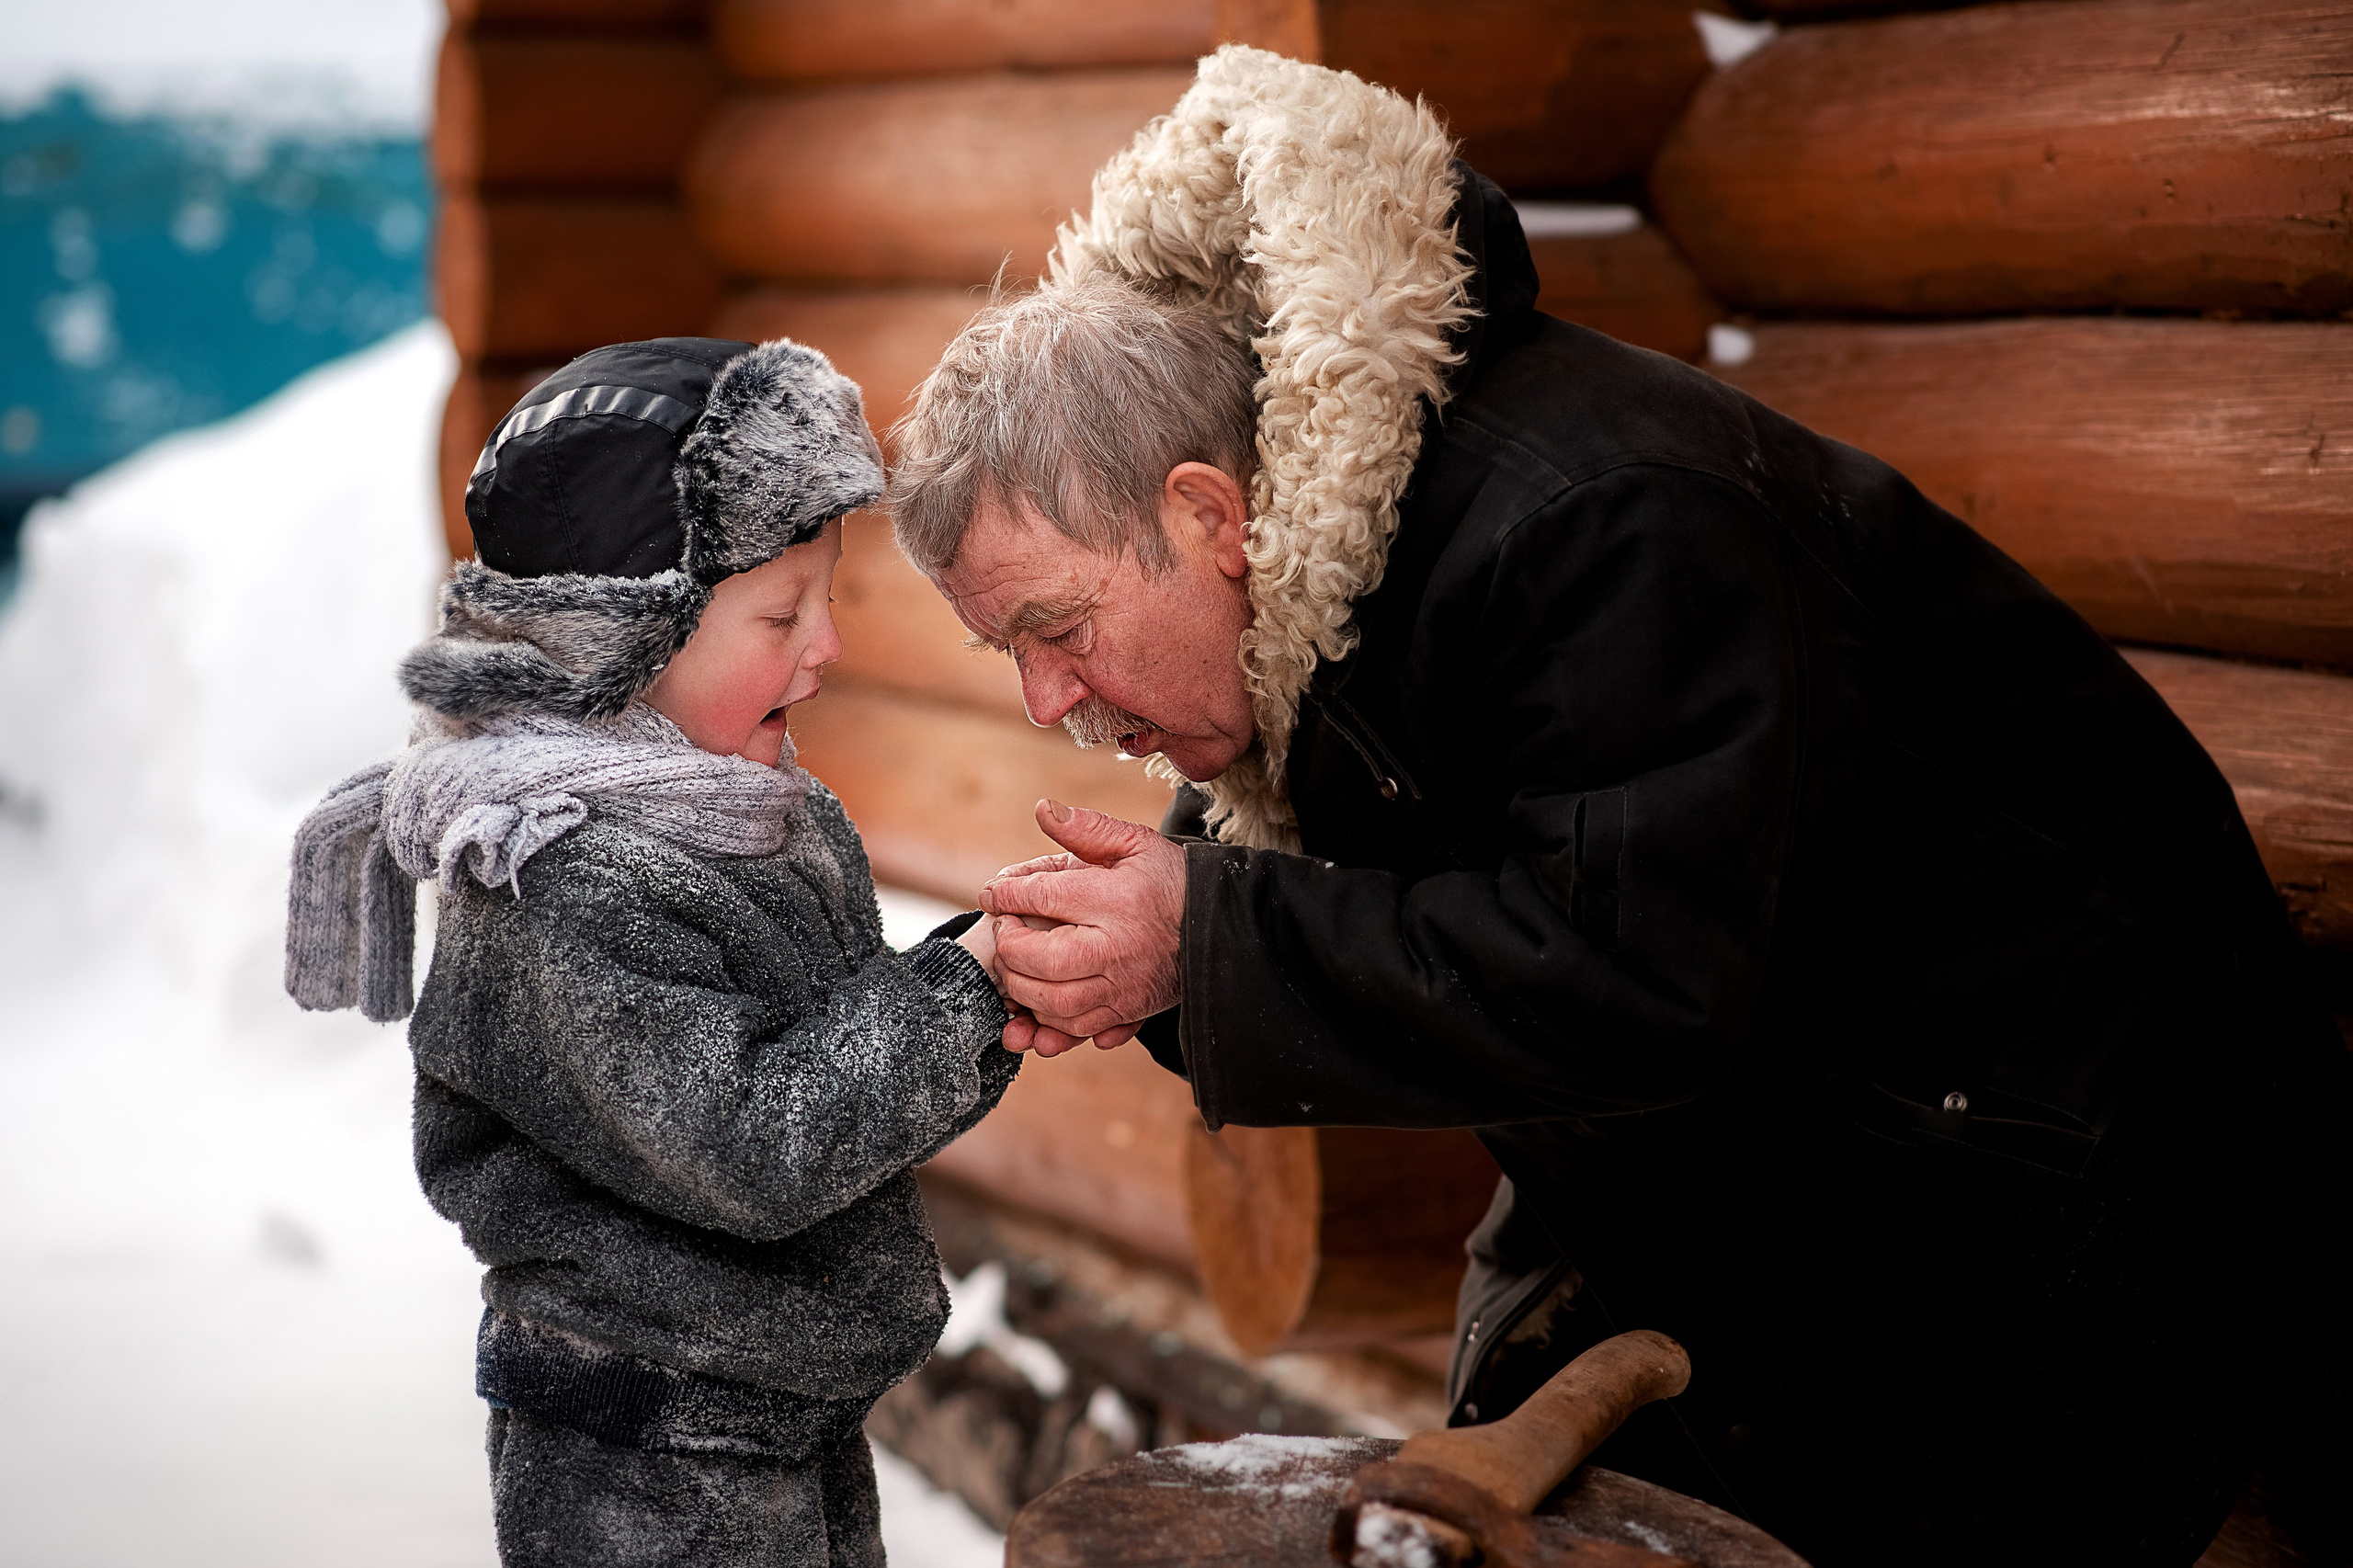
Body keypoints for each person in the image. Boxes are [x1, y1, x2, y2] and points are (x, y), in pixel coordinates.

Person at [886, 47, 2353, 1568]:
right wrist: (1153, 947)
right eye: (1011, 655)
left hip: (2066, 1184)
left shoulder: (1599, 529)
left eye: (1059, 628)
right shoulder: (1328, 569)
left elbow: (1632, 971)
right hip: (1800, 1181)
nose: (1050, 701)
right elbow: (1342, 886)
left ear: (1211, 513)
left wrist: (1199, 945)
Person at [284, 337, 1016, 1567]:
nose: (826, 645)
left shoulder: (750, 813)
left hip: (777, 1404)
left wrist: (980, 989)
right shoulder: (558, 876)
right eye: (781, 613)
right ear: (621, 646)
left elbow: (831, 1055)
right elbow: (754, 1139)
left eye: (826, 600)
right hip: (643, 1454)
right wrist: (967, 992)